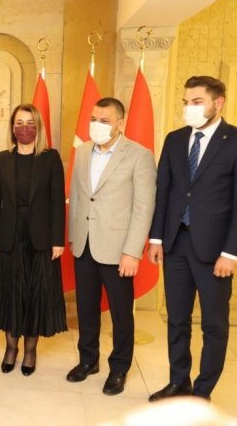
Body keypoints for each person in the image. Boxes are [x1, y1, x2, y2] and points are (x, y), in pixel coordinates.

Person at [148, 76, 237, 401]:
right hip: (176, 244)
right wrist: (156, 238)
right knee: (177, 319)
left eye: (197, 102)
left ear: (218, 103)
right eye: (186, 102)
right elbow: (164, 191)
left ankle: (202, 391)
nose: (189, 108)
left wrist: (231, 252)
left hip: (215, 251)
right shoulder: (175, 140)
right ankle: (178, 381)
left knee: (213, 324)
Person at [66, 97, 156, 395]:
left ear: (120, 123)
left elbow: (144, 206)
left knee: (120, 313)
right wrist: (73, 235)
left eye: (104, 121)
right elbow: (78, 196)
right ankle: (88, 360)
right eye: (94, 119)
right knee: (86, 308)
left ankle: (119, 367)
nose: (97, 125)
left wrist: (132, 251)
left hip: (118, 250)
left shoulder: (139, 155)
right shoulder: (82, 151)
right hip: (84, 244)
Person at [0, 103, 66, 376]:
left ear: (38, 127)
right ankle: (11, 348)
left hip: (41, 239)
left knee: (35, 295)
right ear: (12, 128)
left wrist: (58, 240)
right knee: (10, 294)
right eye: (19, 123)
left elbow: (57, 202)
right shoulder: (2, 159)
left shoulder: (50, 158)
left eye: (30, 123)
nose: (24, 128)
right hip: (8, 237)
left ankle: (30, 351)